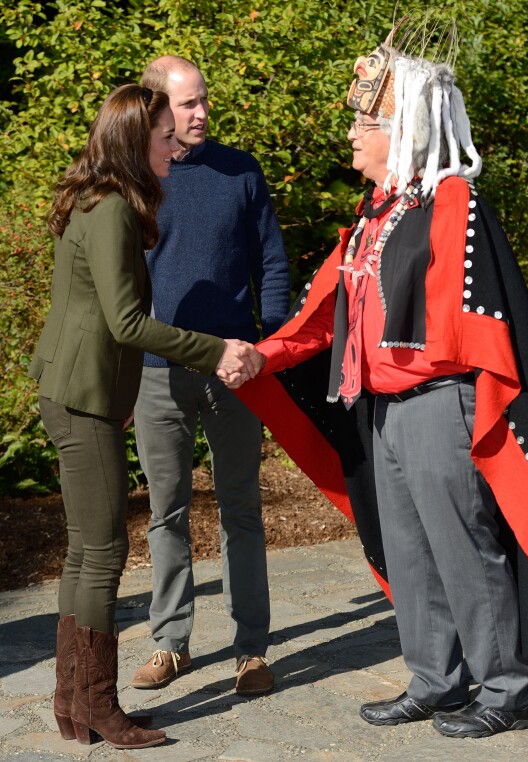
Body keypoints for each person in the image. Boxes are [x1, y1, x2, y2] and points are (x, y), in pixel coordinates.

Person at [233, 13, 528, 739]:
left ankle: (510, 687)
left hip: (439, 404)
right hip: (384, 410)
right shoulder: (374, 215)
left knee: (463, 546)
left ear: (407, 130)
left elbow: (470, 318)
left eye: (368, 121)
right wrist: (267, 356)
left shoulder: (451, 201)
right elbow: (326, 313)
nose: (353, 135)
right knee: (411, 551)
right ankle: (434, 677)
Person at [28, 84, 263, 750]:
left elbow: (102, 318)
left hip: (83, 388)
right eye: (164, 135)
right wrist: (217, 349)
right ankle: (99, 707)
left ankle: (74, 704)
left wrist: (123, 386)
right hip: (82, 395)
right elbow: (127, 321)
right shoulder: (110, 212)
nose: (175, 144)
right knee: (102, 554)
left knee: (84, 553)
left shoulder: (100, 200)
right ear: (137, 140)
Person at [129, 56, 289, 696]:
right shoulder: (136, 179)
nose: (201, 113)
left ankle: (252, 648)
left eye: (203, 101)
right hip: (153, 371)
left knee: (241, 508)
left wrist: (268, 346)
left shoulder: (240, 171)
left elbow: (270, 262)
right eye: (187, 104)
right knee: (165, 510)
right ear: (155, 107)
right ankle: (170, 643)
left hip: (235, 370)